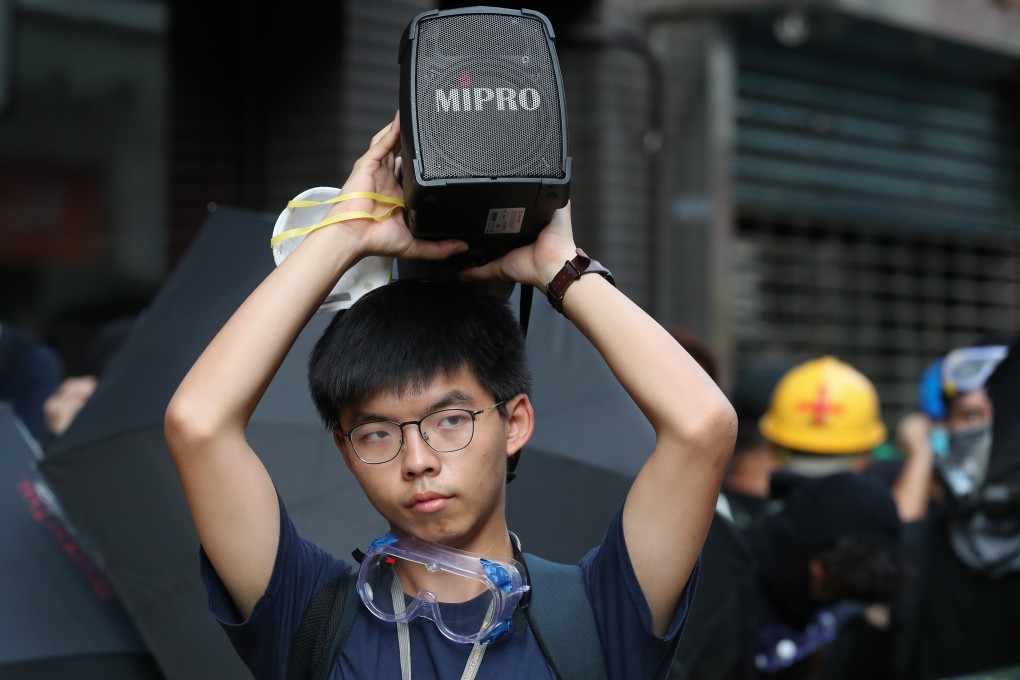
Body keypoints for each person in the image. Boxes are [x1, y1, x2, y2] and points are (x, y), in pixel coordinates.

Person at [163, 114, 736, 679]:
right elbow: (198, 424)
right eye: (377, 433)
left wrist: (559, 269)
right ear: (344, 449)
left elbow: (702, 426)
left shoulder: (594, 616)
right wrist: (345, 236)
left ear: (514, 421)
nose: (418, 461)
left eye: (450, 420)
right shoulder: (311, 615)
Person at [671, 473, 905, 680]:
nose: (823, 595)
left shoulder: (822, 627)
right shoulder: (715, 586)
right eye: (826, 575)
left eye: (840, 591)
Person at [893, 337, 1020, 679]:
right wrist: (922, 455)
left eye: (1007, 415)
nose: (991, 434)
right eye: (972, 416)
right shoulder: (924, 543)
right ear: (941, 430)